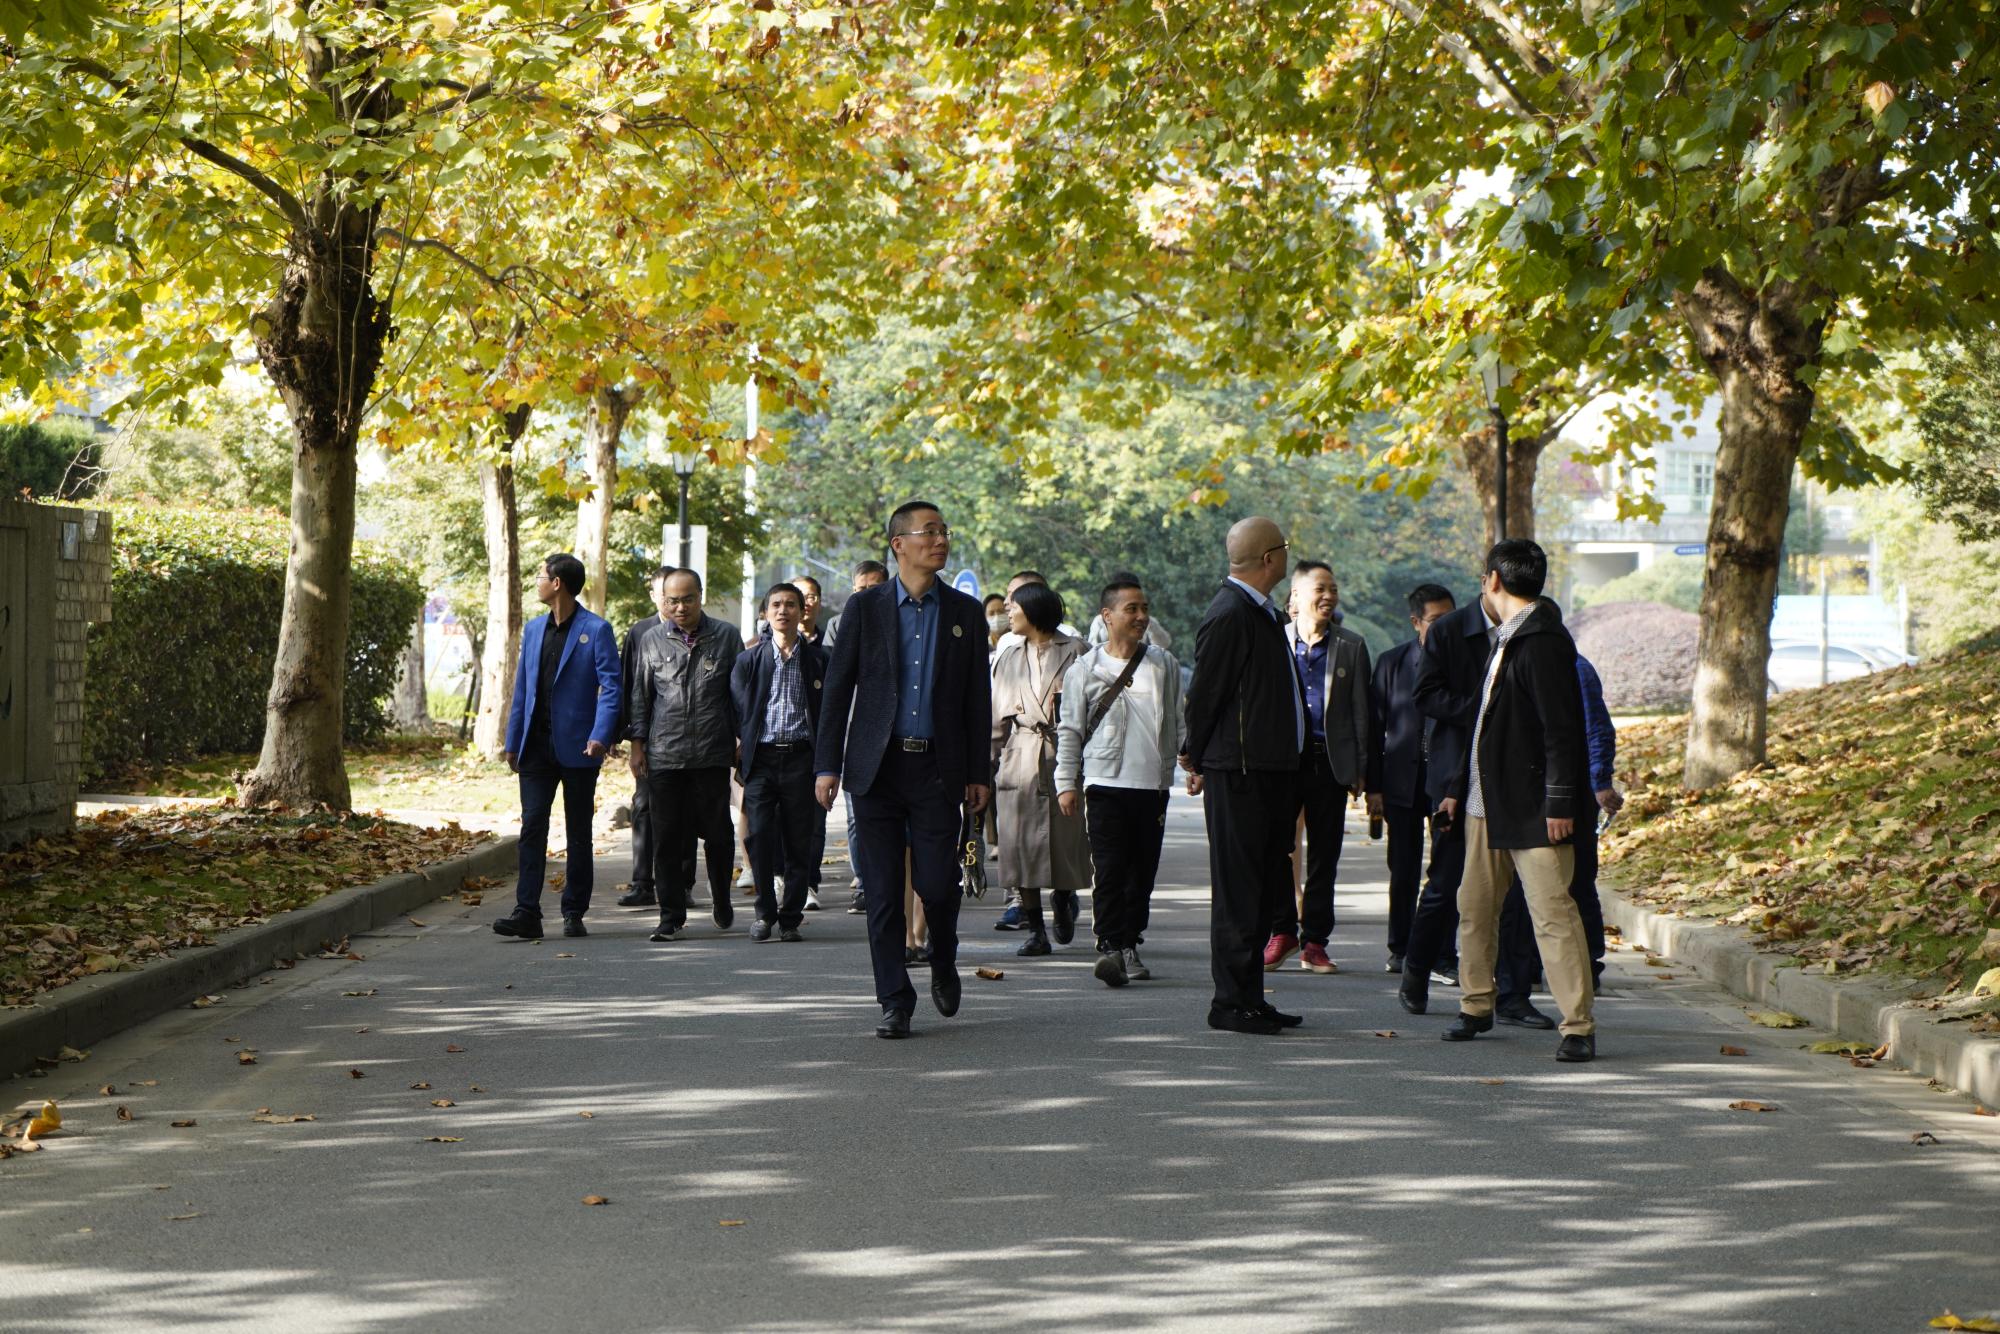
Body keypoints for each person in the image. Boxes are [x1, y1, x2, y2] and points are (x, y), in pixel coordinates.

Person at [815, 501, 992, 1040]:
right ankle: (894, 999)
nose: (940, 540)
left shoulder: (964, 612)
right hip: (877, 768)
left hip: (938, 768)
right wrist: (826, 765)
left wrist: (978, 773)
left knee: (938, 886)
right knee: (884, 892)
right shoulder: (864, 608)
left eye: (944, 531)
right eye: (929, 532)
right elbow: (837, 689)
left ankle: (943, 958)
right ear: (899, 545)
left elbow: (976, 699)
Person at [1435, 539, 1597, 1061]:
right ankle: (1475, 1005)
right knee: (1474, 908)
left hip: (1534, 809)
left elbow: (1562, 730)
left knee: (1553, 914)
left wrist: (1560, 803)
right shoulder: (1507, 637)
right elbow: (1484, 726)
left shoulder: (1542, 641)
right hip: (1485, 803)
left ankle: (1578, 1027)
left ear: (1493, 581)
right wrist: (1457, 790)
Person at [1181, 516, 1308, 1036]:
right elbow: (1206, 693)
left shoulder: (1261, 612)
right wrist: (1194, 754)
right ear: (1269, 558)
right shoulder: (1230, 612)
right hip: (1239, 772)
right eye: (1284, 547)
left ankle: (1251, 997)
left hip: (1269, 770)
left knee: (1259, 889)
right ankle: (1230, 1002)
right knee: (1239, 891)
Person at [1403, 580, 1543, 1024]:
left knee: (1515, 893)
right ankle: (1416, 971)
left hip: (1509, 775)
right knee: (1446, 883)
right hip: (1455, 774)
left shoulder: (1528, 629)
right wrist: (1483, 711)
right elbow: (1425, 694)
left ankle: (1513, 996)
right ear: (1491, 581)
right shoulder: (1448, 630)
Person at [1056, 575, 1185, 988]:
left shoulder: (1163, 664)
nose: (1141, 616)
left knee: (1142, 872)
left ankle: (1131, 942)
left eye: (1144, 608)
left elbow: (1178, 721)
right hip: (1105, 783)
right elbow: (1070, 729)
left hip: (1153, 785)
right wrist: (1066, 781)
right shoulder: (1085, 668)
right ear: (1107, 616)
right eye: (1132, 609)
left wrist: (1190, 763)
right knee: (1110, 869)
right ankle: (1112, 945)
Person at [495, 553, 622, 941]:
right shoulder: (534, 629)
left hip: (580, 748)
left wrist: (601, 735)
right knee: (532, 826)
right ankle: (526, 911)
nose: (536, 582)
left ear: (557, 584)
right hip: (535, 746)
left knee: (578, 832)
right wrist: (513, 740)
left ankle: (573, 911)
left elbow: (611, 688)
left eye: (540, 576)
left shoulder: (596, 630)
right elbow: (522, 689)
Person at [1267, 560, 1375, 976]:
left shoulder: (1351, 646)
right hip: (1282, 762)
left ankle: (1315, 942)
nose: (1329, 596)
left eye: (1333, 589)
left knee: (1325, 856)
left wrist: (1361, 769)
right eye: (1320, 589)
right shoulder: (1274, 641)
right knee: (1276, 848)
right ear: (1296, 595)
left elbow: (1362, 713)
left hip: (1330, 763)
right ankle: (1282, 932)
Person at [627, 567, 742, 942]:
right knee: (666, 839)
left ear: (700, 596)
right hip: (665, 755)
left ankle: (721, 897)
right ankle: (670, 915)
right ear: (663, 601)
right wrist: (637, 746)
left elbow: (739, 695)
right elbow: (641, 697)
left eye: (687, 599)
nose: (680, 607)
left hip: (712, 753)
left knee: (719, 835)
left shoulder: (726, 636)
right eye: (672, 600)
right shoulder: (651, 639)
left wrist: (742, 741)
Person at [990, 581, 1091, 958]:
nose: (1008, 612)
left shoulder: (1077, 650)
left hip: (1063, 756)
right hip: (1019, 759)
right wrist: (986, 767)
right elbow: (995, 723)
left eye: (1013, 606)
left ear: (1033, 610)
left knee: (1065, 842)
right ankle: (1035, 930)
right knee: (1019, 847)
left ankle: (1064, 897)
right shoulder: (1008, 657)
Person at [1369, 583, 1457, 976]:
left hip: (1446, 784)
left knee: (1446, 871)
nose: (1445, 628)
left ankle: (1442, 953)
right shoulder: (1391, 663)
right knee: (1402, 871)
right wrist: (1373, 787)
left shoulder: (1464, 664)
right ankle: (1401, 948)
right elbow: (1374, 729)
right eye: (1436, 620)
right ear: (1416, 622)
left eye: (1451, 619)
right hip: (1401, 783)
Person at [732, 583, 827, 943]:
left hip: (802, 758)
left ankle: (790, 918)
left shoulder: (818, 660)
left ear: (802, 611)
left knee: (799, 841)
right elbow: (736, 711)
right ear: (766, 612)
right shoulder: (749, 660)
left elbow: (828, 715)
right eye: (776, 605)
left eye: (790, 604)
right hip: (762, 760)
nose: (783, 610)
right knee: (759, 837)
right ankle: (764, 913)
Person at [827, 560, 889, 917]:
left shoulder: (901, 619)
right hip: (856, 732)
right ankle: (865, 883)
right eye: (860, 590)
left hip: (894, 734)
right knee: (856, 815)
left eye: (874, 588)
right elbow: (838, 681)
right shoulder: (839, 625)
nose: (866, 595)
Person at [615, 567, 670, 910]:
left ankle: (681, 883)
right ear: (653, 595)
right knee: (644, 806)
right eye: (662, 593)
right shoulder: (640, 632)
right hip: (648, 737)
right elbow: (629, 686)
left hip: (687, 741)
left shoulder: (702, 632)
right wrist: (625, 735)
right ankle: (642, 883)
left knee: (683, 812)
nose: (670, 601)